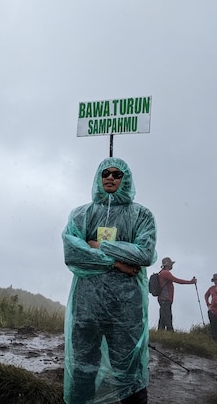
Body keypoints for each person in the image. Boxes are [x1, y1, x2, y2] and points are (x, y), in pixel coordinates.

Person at [62, 158, 157, 404]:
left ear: (125, 179)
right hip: (87, 307)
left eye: (117, 174)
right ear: (98, 177)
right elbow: (73, 253)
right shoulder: (81, 215)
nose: (111, 178)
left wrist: (99, 245)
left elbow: (144, 254)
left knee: (129, 373)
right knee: (83, 369)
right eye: (106, 173)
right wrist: (116, 263)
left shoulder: (142, 215)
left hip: (126, 310)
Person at [157, 257, 196, 331]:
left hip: (162, 298)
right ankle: (170, 331)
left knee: (163, 316)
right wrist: (190, 282)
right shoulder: (166, 273)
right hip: (165, 298)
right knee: (167, 316)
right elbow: (177, 280)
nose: (172, 266)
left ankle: (160, 331)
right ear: (168, 265)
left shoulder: (161, 272)